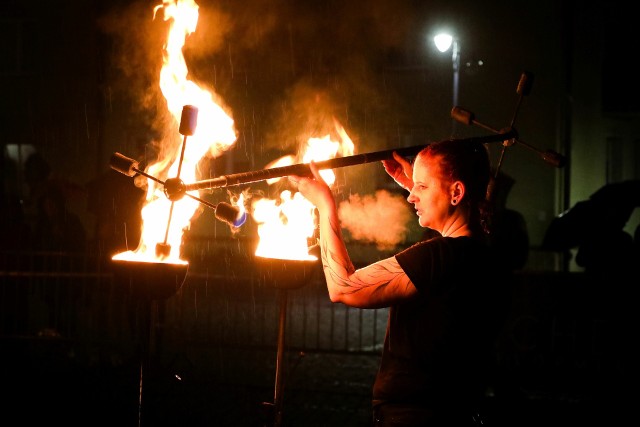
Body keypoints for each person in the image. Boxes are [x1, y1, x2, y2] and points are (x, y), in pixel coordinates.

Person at [290, 139, 510, 426]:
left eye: (422, 187)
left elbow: (343, 288)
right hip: (454, 412)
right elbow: (454, 224)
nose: (410, 197)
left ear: (456, 192)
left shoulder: (441, 256)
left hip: (417, 416)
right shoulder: (480, 254)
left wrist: (324, 206)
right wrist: (420, 185)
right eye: (414, 187)